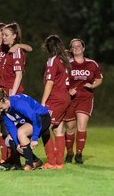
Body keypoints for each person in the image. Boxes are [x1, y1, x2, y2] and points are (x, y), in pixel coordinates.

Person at [0, 23, 32, 165]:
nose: (1, 37)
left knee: (6, 127)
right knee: (4, 127)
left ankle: (23, 159)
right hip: (2, 91)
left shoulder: (14, 51)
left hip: (9, 93)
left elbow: (18, 74)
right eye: (1, 34)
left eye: (4, 34)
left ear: (14, 35)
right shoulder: (3, 50)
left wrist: (12, 95)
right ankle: (3, 158)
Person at [0, 88, 50, 171]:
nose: (1, 110)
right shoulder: (5, 111)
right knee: (9, 140)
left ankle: (29, 164)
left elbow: (35, 118)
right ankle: (35, 161)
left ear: (6, 100)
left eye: (1, 107)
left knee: (21, 132)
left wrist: (35, 138)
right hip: (30, 121)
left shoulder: (18, 103)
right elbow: (11, 128)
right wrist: (17, 144)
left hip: (42, 118)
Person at [64, 38, 103, 164]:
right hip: (70, 99)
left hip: (85, 98)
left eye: (78, 46)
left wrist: (92, 86)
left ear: (83, 48)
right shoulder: (67, 64)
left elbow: (99, 79)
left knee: (82, 125)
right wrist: (68, 90)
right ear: (70, 49)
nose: (76, 48)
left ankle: (79, 154)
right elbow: (61, 82)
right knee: (70, 128)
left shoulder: (92, 64)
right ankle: (69, 153)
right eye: (73, 46)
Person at [40, 35, 71, 169]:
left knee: (44, 128)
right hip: (65, 97)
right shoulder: (65, 60)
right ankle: (59, 163)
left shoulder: (53, 60)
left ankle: (51, 161)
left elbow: (50, 82)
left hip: (55, 99)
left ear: (48, 47)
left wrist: (43, 102)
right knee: (58, 129)